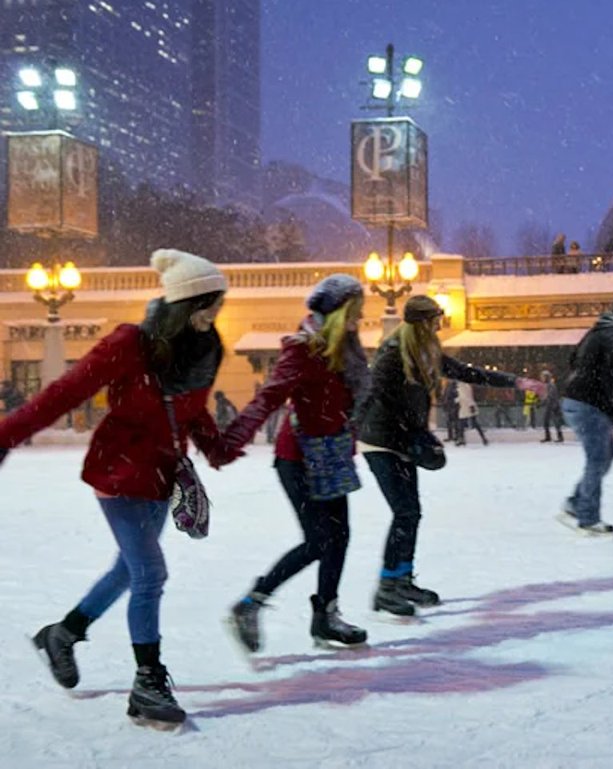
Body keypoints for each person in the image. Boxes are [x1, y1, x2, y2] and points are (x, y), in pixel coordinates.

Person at [0, 249, 232, 726]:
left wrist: (214, 445)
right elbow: (64, 391)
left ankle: (63, 634)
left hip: (161, 476)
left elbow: (192, 409)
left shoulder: (203, 350)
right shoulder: (131, 343)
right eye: (210, 303)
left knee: (128, 571)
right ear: (187, 304)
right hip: (119, 473)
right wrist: (7, 435)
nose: (216, 313)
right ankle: (148, 682)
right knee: (150, 573)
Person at [354, 295, 543, 616]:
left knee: (411, 512)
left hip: (403, 440)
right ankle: (387, 587)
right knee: (404, 511)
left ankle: (402, 579)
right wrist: (415, 434)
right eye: (436, 319)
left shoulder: (426, 352)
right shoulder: (392, 354)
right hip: (382, 442)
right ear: (424, 323)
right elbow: (379, 399)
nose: (440, 324)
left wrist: (515, 381)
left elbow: (467, 372)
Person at [225, 274, 371, 654]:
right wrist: (234, 437)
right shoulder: (303, 349)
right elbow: (270, 395)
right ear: (337, 313)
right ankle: (250, 604)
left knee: (339, 537)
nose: (361, 318)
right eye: (355, 311)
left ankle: (325, 617)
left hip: (334, 453)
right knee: (319, 540)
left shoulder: (347, 349)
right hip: (300, 458)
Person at [559, 295, 613, 534]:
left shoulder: (597, 331)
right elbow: (610, 378)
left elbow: (573, 359)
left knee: (605, 455)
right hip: (589, 403)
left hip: (574, 399)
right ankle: (588, 519)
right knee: (598, 458)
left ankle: (575, 504)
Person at [456, 381, 490, 445]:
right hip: (465, 406)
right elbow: (464, 396)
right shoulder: (463, 386)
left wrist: (470, 405)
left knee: (463, 424)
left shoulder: (463, 386)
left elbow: (467, 397)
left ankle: (461, 439)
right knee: (466, 423)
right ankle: (483, 438)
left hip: (466, 407)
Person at [540, 370, 564, 442]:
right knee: (547, 422)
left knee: (555, 421)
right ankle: (549, 436)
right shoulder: (547, 385)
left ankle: (559, 437)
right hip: (550, 405)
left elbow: (550, 396)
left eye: (543, 377)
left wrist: (545, 401)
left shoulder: (550, 385)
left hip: (552, 406)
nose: (542, 378)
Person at [441, 379, 460, 444]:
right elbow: (445, 397)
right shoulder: (448, 386)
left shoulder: (455, 387)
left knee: (454, 422)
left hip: (452, 407)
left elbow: (457, 398)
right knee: (449, 422)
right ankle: (451, 436)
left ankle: (456, 436)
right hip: (449, 407)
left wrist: (454, 405)